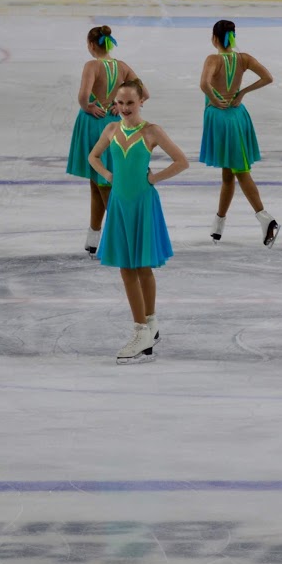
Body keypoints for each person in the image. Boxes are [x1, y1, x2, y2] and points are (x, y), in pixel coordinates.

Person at [87, 79, 190, 364]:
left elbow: (181, 161)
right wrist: (108, 176)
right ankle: (145, 326)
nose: (124, 108)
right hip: (120, 204)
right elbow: (93, 156)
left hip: (143, 203)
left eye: (130, 102)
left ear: (141, 101)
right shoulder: (111, 129)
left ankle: (144, 329)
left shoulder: (151, 131)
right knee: (126, 267)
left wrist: (154, 178)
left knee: (142, 266)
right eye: (120, 103)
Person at [199, 19, 280, 246]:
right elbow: (267, 77)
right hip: (238, 116)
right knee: (228, 173)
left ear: (214, 38)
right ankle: (219, 223)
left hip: (223, 120)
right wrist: (242, 92)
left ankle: (266, 219)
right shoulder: (243, 59)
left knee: (241, 171)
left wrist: (215, 100)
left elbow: (204, 84)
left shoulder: (213, 59)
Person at [69, 25, 144, 255]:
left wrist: (90, 106)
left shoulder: (92, 66)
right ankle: (93, 236)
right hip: (113, 125)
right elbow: (143, 92)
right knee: (97, 182)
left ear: (92, 45)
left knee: (104, 184)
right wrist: (118, 105)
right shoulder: (121, 67)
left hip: (94, 125)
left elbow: (83, 97)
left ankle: (124, 235)